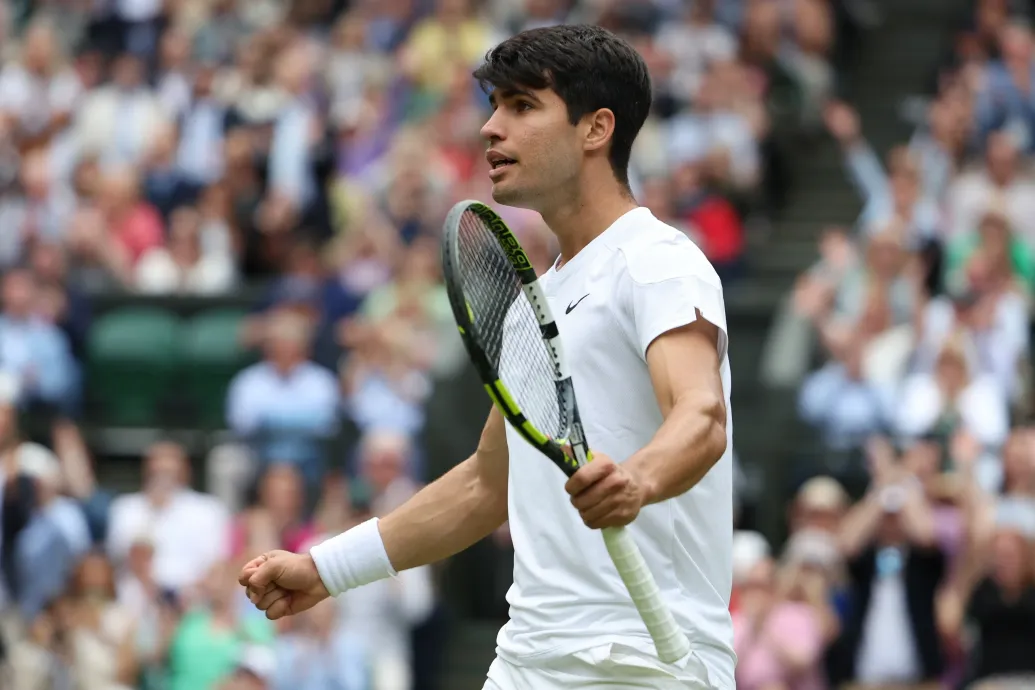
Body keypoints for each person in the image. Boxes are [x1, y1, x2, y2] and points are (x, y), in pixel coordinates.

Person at [240, 24, 735, 689]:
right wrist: (325, 569)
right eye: (493, 105)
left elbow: (701, 414)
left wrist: (637, 480)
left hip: (643, 662)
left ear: (595, 129)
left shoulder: (658, 262)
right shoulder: (538, 302)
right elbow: (484, 483)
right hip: (528, 661)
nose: (490, 128)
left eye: (521, 106)